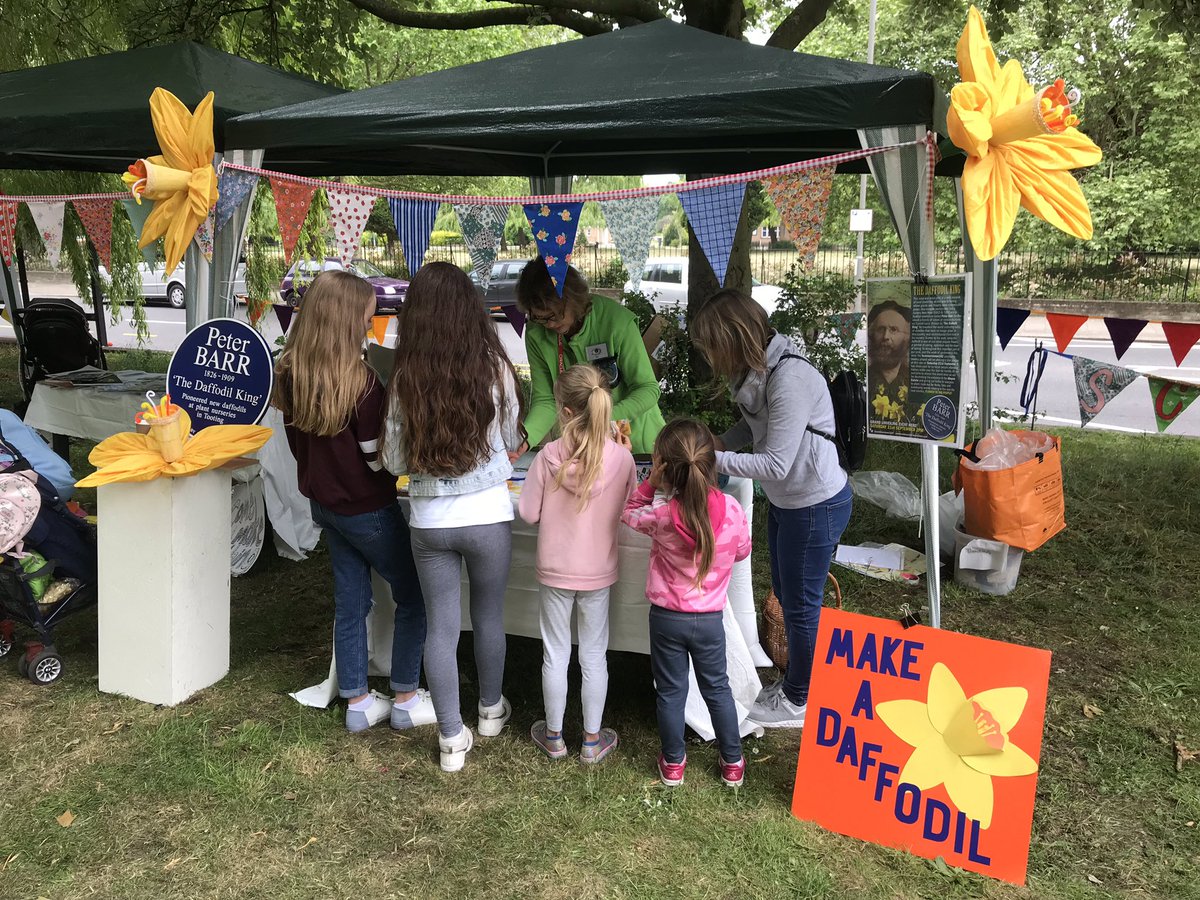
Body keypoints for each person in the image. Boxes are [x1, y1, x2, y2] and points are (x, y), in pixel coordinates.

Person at [271, 271, 432, 734]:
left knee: (350, 602)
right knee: (413, 595)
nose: (371, 323)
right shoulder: (362, 384)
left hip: (326, 507)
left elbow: (297, 446)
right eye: (367, 316)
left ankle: (358, 700)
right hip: (369, 509)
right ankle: (406, 695)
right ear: (344, 321)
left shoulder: (291, 374)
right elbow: (377, 459)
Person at [381, 262, 525, 774]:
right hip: (488, 514)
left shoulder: (404, 379)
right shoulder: (496, 368)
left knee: (440, 628)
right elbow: (511, 440)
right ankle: (490, 710)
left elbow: (393, 461)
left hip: (429, 522)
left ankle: (449, 737)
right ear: (469, 309)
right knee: (487, 616)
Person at [690, 290, 852, 730]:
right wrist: (722, 442)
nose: (709, 356)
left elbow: (775, 463)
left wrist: (709, 459)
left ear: (733, 338)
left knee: (800, 606)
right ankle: (796, 682)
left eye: (711, 346)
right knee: (786, 593)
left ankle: (799, 699)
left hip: (814, 504)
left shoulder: (789, 378)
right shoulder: (759, 372)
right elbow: (755, 426)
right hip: (789, 501)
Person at [621, 419, 751, 788]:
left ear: (665, 469)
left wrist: (650, 484)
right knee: (718, 689)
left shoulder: (662, 516)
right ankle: (732, 761)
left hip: (667, 619)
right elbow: (742, 551)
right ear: (711, 463)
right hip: (709, 620)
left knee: (671, 691)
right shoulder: (732, 509)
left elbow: (629, 512)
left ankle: (674, 763)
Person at [518, 364, 636, 764]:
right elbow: (629, 508)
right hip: (598, 571)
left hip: (555, 568)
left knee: (555, 652)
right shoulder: (621, 458)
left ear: (566, 411)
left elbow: (528, 513)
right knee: (593, 655)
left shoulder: (547, 456)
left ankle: (554, 737)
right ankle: (590, 740)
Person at [515, 257, 665, 455]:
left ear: (572, 299)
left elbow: (648, 389)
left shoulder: (617, 321)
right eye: (540, 318)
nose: (549, 325)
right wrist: (525, 439)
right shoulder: (536, 332)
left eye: (554, 315)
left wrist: (599, 419)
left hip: (634, 443)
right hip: (582, 448)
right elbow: (546, 400)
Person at [866, 299, 912, 411]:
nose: (885, 336)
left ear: (907, 338)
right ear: (871, 335)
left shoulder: (915, 381)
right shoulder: (864, 380)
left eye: (893, 330)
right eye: (880, 329)